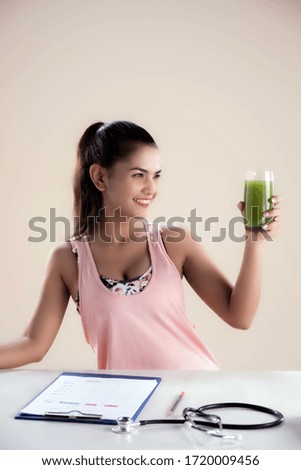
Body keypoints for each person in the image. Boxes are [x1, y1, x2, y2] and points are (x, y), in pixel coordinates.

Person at [0, 121, 281, 370]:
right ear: (100, 177)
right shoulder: (69, 259)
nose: (151, 188)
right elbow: (33, 345)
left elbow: (239, 316)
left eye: (156, 175)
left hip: (193, 393)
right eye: (138, 175)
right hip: (126, 407)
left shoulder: (172, 242)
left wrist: (255, 239)